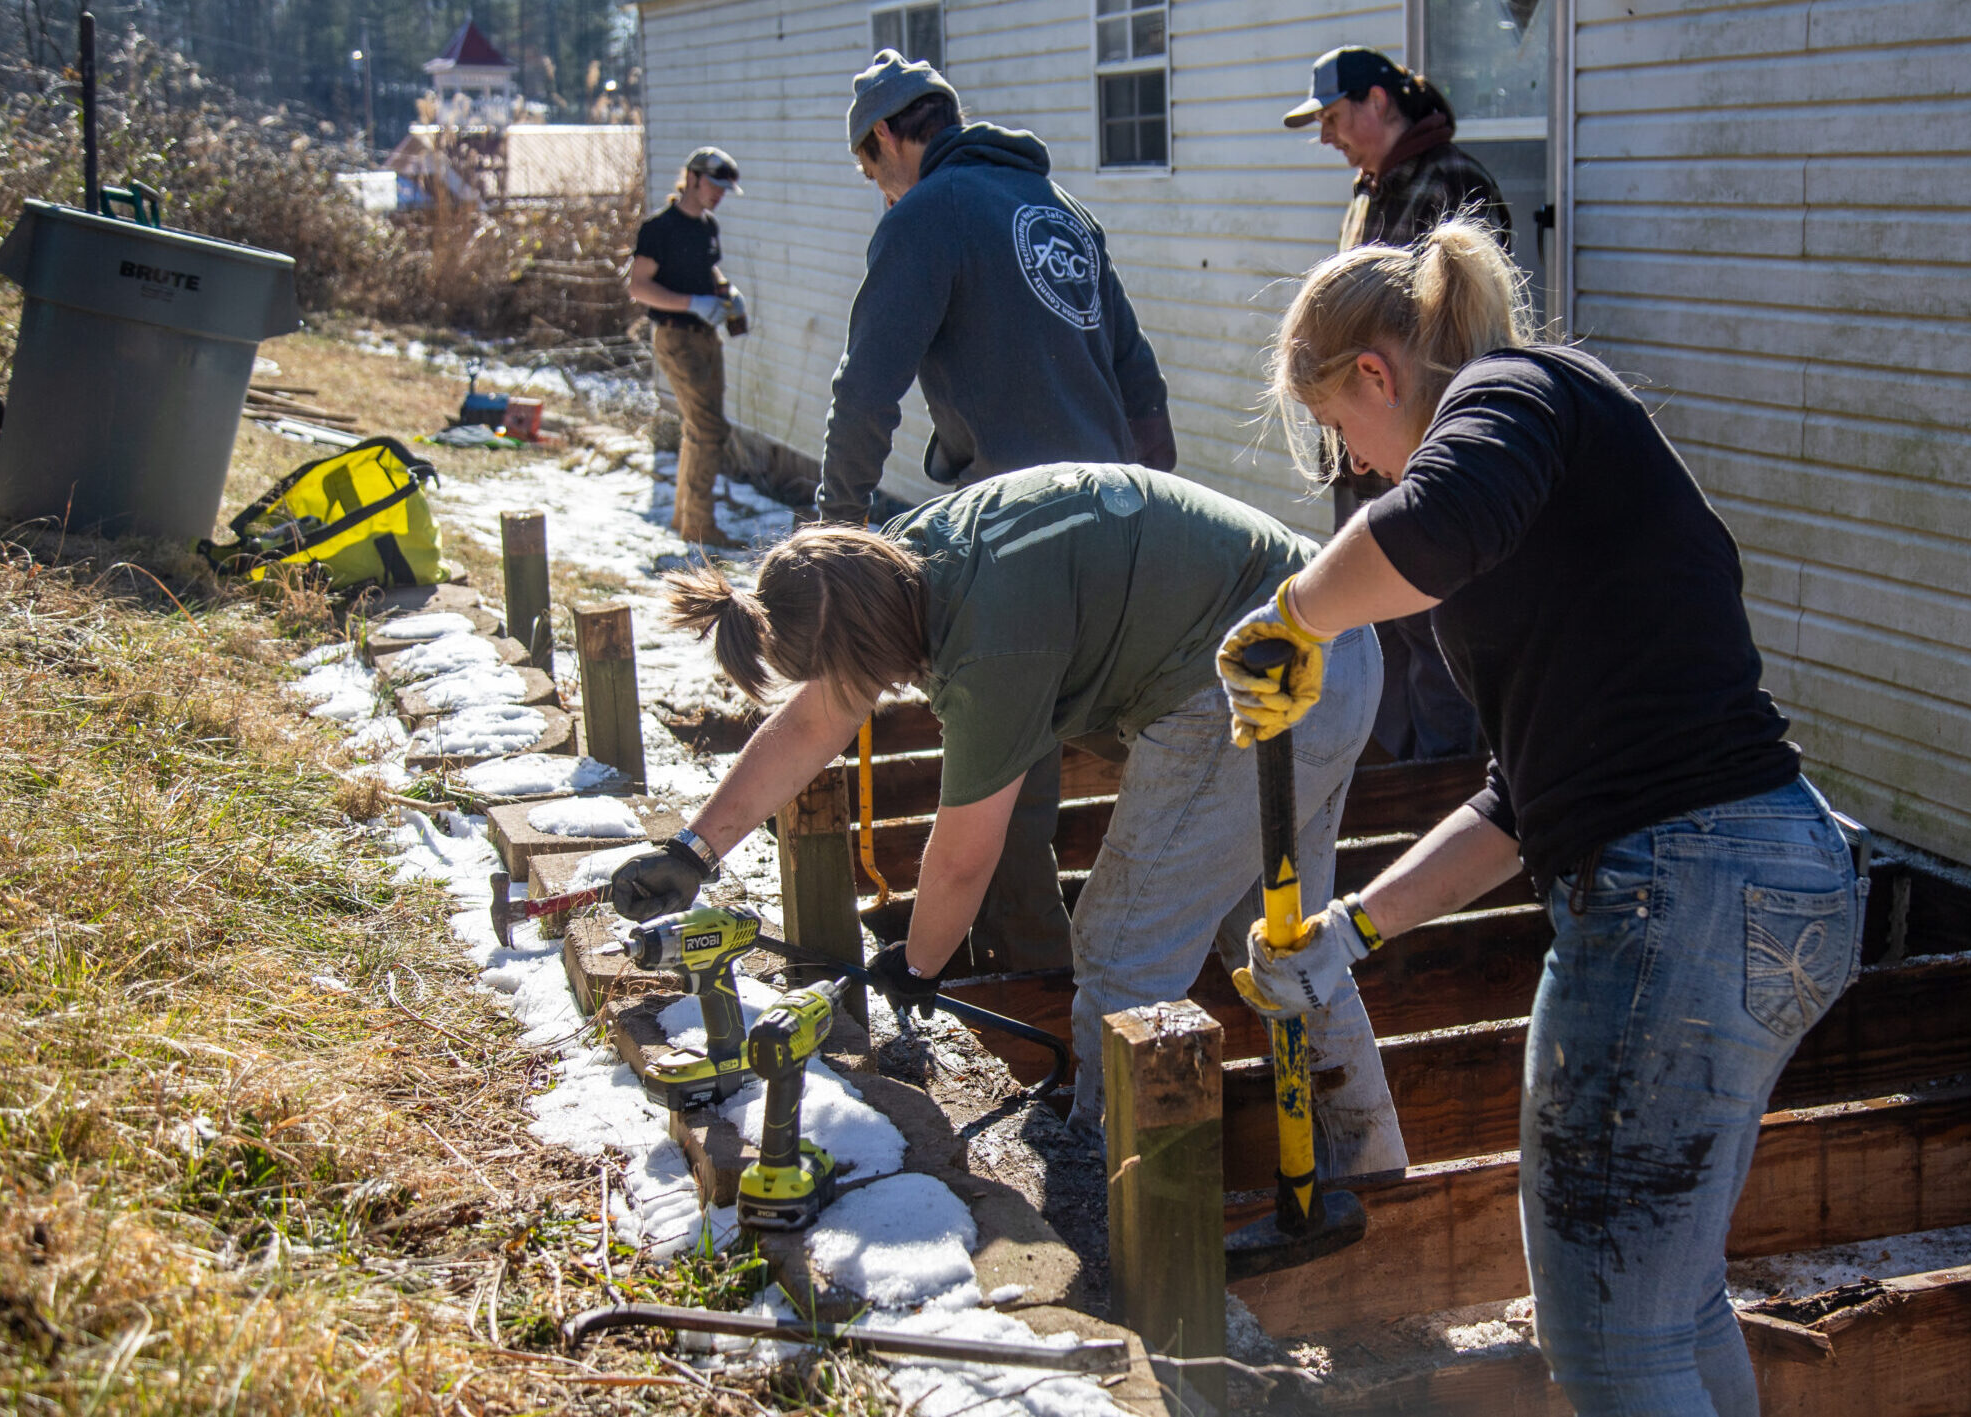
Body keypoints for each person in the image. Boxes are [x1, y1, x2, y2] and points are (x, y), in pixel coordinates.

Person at [1219, 222, 1864, 1415]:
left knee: (1613, 1344)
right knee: (1671, 1305)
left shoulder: (1513, 389)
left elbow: (1430, 525)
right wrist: (1354, 928)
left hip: (1683, 891)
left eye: (1341, 433)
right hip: (1771, 875)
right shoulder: (1547, 483)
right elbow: (1526, 798)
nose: (1353, 468)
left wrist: (1294, 615)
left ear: (1377, 373)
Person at [608, 465, 1408, 1177]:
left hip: (1263, 671)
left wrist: (919, 965)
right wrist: (695, 847)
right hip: (1327, 644)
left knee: (1122, 945)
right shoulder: (896, 565)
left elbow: (963, 857)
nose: (848, 694)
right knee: (1286, 945)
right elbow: (815, 720)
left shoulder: (988, 647)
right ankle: (1367, 1159)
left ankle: (1110, 1185)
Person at [819, 48, 1180, 970]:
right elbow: (1141, 384)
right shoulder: (1062, 213)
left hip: (1023, 532)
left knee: (1005, 758)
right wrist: (1157, 505)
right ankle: (1218, 929)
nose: (879, 190)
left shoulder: (929, 216)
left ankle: (1029, 974)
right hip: (1124, 518)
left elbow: (866, 390)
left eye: (872, 169)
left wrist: (835, 530)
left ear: (892, 136)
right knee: (1155, 735)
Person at [1285, 45, 1510, 761]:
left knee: (1437, 633)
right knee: (1372, 629)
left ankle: (1439, 792)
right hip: (1362, 459)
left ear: (1378, 101)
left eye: (1332, 116)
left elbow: (1464, 344)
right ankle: (1387, 781)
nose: (1326, 135)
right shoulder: (1369, 188)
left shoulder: (1456, 182)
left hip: (1424, 462)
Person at [628, 146, 753, 548]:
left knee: (698, 428)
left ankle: (685, 517)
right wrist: (692, 303)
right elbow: (639, 285)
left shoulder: (707, 227)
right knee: (710, 429)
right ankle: (700, 527)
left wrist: (724, 291)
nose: (718, 194)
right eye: (714, 185)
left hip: (706, 337)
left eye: (724, 188)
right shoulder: (659, 228)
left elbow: (704, 268)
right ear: (693, 178)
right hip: (676, 336)